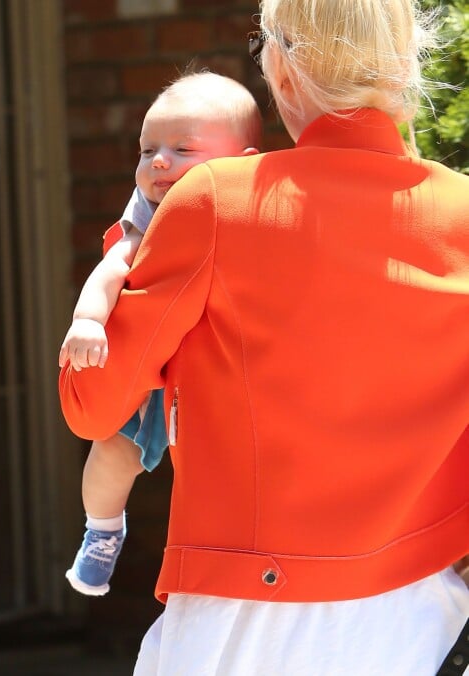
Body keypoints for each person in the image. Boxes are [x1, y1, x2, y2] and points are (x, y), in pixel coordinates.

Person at [59, 0, 469, 672]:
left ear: (280, 71)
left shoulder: (214, 201)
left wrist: (127, 254)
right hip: (422, 617)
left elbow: (91, 405)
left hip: (245, 631)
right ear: (402, 67)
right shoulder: (463, 212)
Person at [59, 71, 262, 596]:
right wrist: (86, 321)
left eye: (182, 148)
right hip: (150, 375)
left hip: (220, 382)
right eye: (148, 151)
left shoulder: (258, 215)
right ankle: (101, 531)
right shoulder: (149, 217)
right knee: (112, 454)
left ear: (242, 164)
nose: (160, 162)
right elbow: (111, 268)